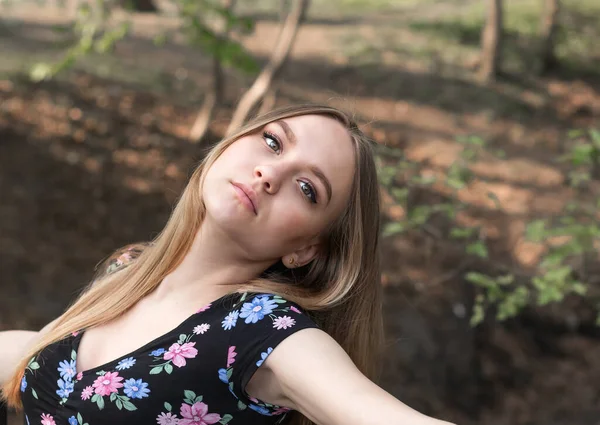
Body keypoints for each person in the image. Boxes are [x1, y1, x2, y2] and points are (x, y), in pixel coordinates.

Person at [1, 104, 455, 425]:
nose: (270, 174)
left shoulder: (266, 334)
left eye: (307, 188)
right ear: (229, 145)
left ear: (307, 249)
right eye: (273, 142)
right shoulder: (130, 270)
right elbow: (44, 351)